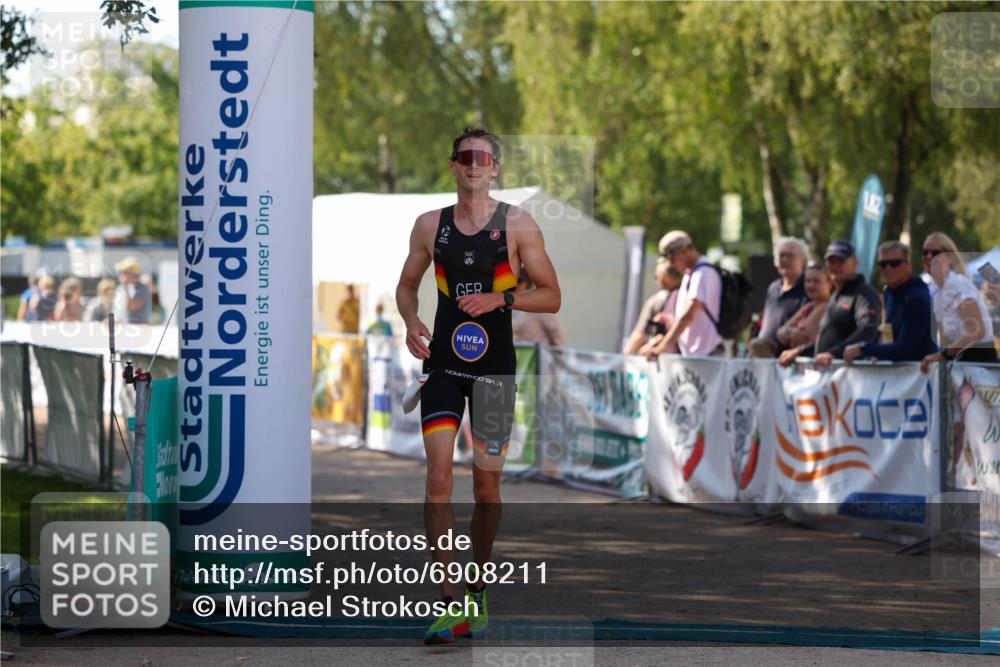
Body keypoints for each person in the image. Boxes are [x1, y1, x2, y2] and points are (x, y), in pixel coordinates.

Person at [395, 127, 561, 644]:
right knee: (438, 479)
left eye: (483, 158)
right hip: (443, 366)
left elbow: (552, 296)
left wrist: (501, 300)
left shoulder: (518, 225)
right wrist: (411, 320)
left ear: (494, 169)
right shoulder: (429, 225)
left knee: (486, 489)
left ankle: (476, 584)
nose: (474, 165)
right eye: (465, 157)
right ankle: (449, 603)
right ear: (454, 166)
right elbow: (406, 285)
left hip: (495, 373)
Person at [778, 241, 880, 368]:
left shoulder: (864, 294)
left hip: (853, 376)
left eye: (841, 261)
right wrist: (800, 351)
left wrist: (833, 354)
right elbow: (827, 341)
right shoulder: (835, 296)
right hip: (830, 374)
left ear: (854, 263)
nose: (835, 266)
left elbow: (867, 331)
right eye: (831, 262)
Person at [843, 241, 937, 364]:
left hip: (921, 377)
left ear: (908, 265)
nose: (888, 268)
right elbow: (891, 339)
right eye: (883, 264)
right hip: (898, 375)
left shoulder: (917, 298)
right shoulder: (889, 293)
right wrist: (875, 352)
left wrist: (863, 348)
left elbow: (904, 350)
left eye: (894, 263)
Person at [919, 232, 997, 370]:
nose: (928, 256)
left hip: (979, 362)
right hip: (962, 362)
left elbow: (976, 330)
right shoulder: (938, 294)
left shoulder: (957, 284)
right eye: (925, 252)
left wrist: (943, 355)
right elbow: (945, 340)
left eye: (935, 252)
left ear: (949, 257)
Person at [644, 231, 723, 358]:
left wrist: (661, 347)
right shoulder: (691, 273)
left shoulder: (702, 273)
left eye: (672, 258)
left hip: (707, 355)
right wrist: (670, 321)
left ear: (685, 250)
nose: (671, 263)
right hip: (696, 355)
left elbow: (688, 316)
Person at [748, 237, 808, 358]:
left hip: (790, 361)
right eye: (781, 255)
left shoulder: (808, 288)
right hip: (764, 360)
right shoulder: (773, 288)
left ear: (803, 261)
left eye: (790, 256)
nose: (785, 259)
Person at [627, 260, 682, 356]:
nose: (657, 281)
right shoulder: (689, 295)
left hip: (666, 356)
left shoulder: (656, 301)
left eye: (657, 277)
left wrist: (624, 359)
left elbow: (640, 334)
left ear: (666, 277)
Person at [775, 262, 831, 351]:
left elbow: (804, 337)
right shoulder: (809, 306)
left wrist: (789, 332)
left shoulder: (826, 306)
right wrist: (792, 332)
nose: (811, 285)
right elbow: (779, 333)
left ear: (829, 284)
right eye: (808, 281)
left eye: (816, 281)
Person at [512, 270, 567, 347]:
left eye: (519, 280)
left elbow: (557, 332)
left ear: (528, 282)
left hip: (539, 356)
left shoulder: (538, 306)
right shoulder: (510, 307)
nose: (516, 285)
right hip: (519, 356)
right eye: (512, 282)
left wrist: (555, 354)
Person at [114, 258, 152, 324]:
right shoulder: (121, 288)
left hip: (139, 329)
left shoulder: (142, 288)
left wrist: (125, 286)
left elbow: (131, 307)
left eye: (124, 273)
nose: (121, 275)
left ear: (133, 274)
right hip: (124, 327)